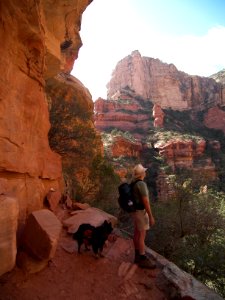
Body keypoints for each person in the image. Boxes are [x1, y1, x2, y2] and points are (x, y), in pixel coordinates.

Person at [131, 164, 156, 268]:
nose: (145, 173)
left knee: (137, 233)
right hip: (141, 212)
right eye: (144, 171)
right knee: (142, 235)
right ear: (142, 174)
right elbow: (145, 201)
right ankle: (142, 258)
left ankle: (137, 255)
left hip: (134, 211)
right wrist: (150, 216)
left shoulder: (133, 183)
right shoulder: (141, 184)